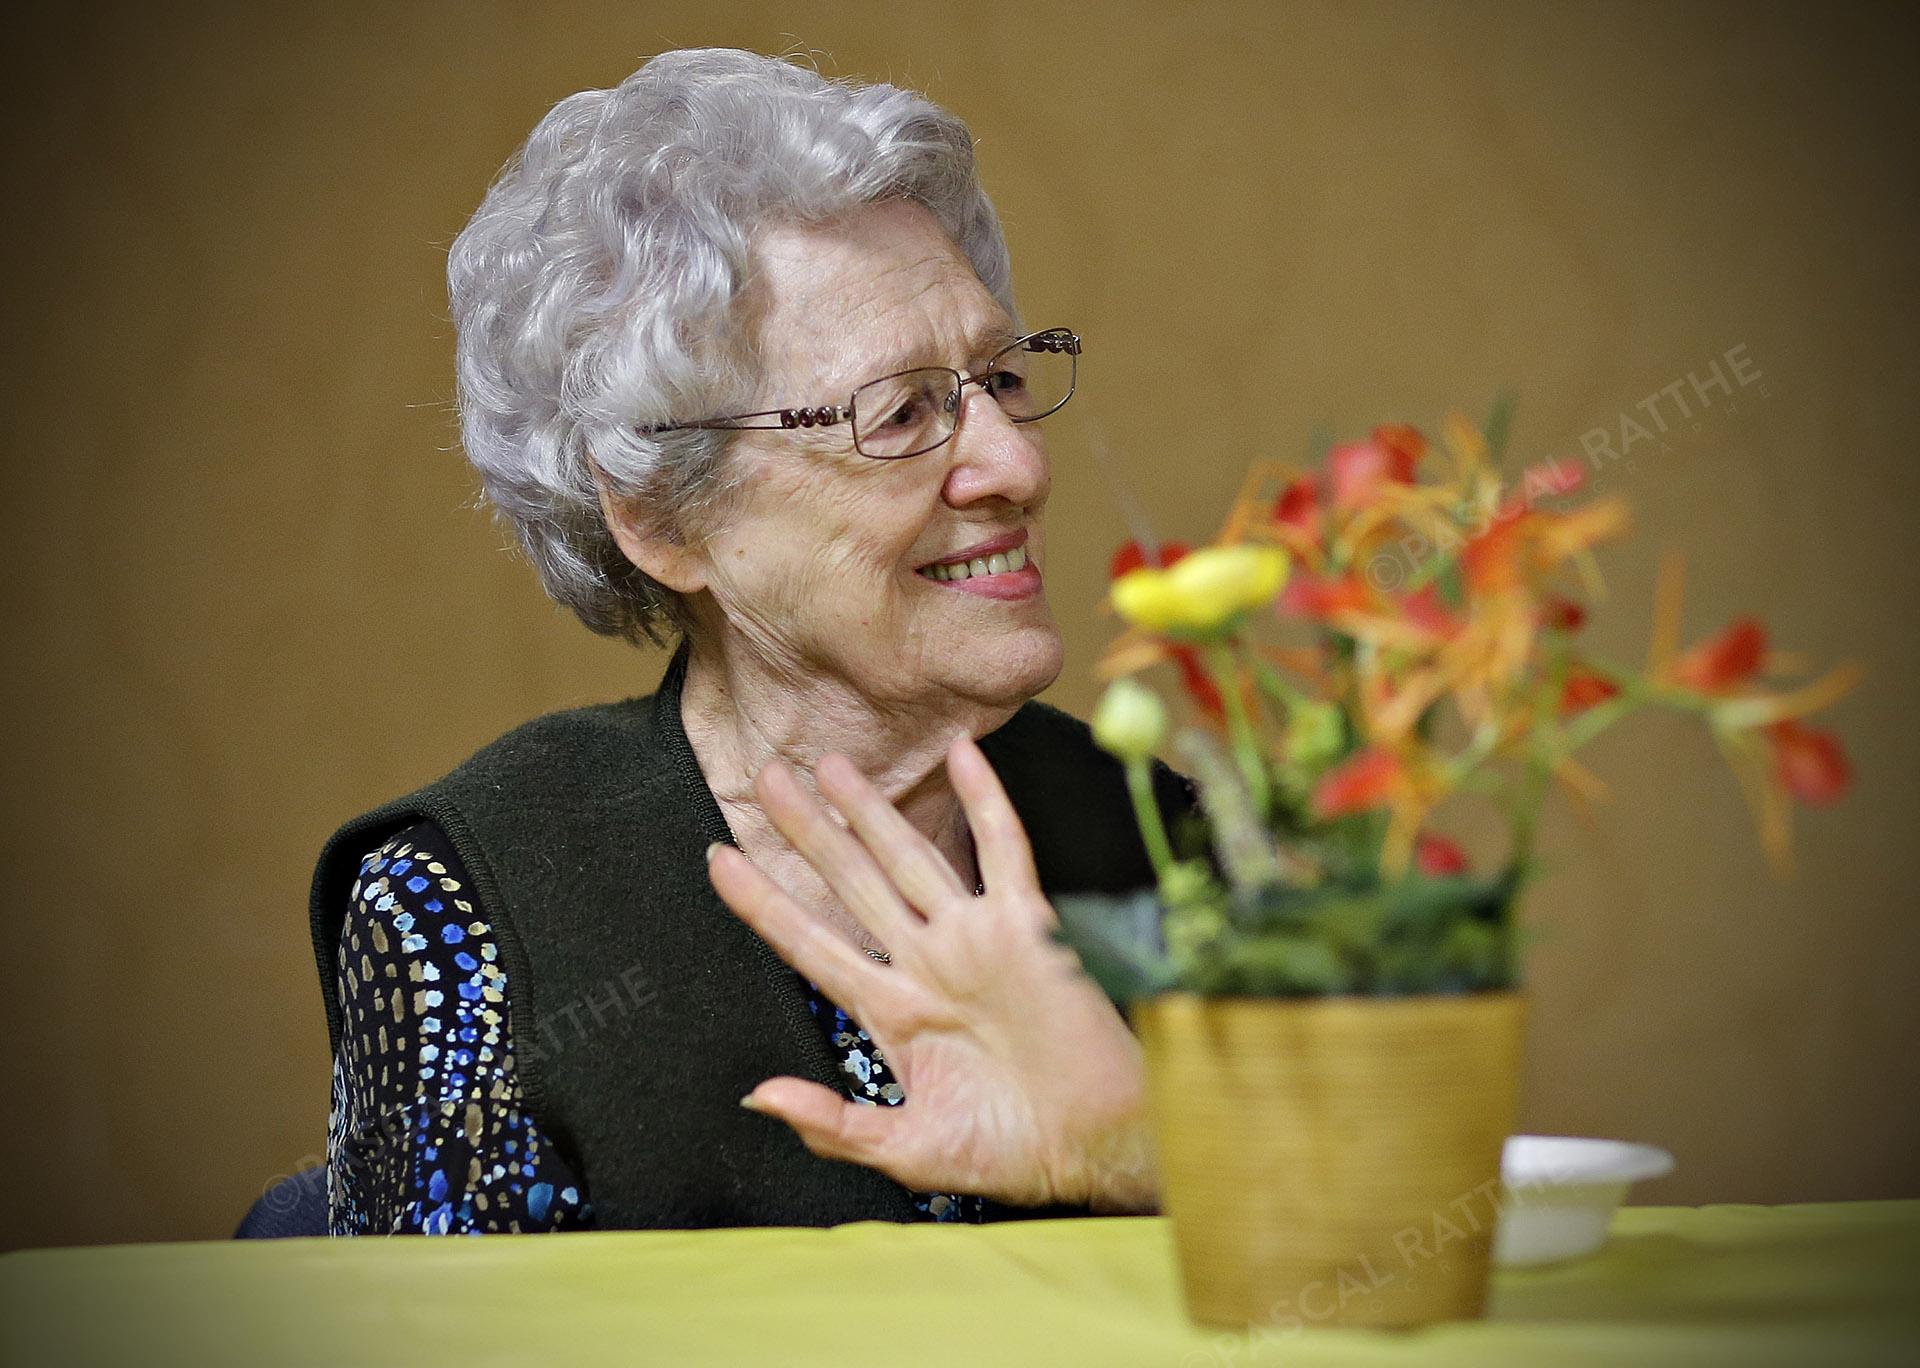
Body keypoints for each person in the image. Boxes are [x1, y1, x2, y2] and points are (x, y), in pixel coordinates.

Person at [312, 47, 1191, 1235]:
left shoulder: (1175, 843)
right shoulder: (469, 900)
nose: (1016, 465)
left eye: (1000, 378)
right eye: (902, 413)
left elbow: (1375, 1294)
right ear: (669, 521)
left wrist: (1144, 1163)